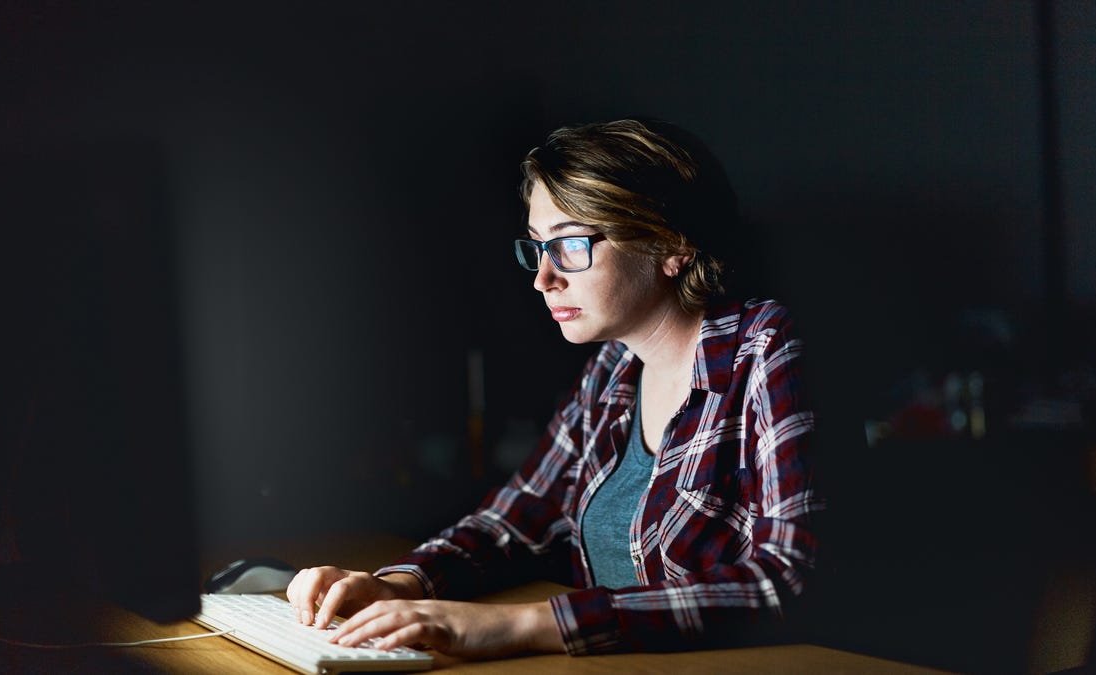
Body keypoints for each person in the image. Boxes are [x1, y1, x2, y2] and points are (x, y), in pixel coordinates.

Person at [286, 118, 824, 658]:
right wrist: (402, 584)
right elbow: (515, 520)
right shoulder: (613, 367)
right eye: (538, 248)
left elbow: (786, 579)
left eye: (570, 244)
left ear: (672, 245)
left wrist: (518, 626)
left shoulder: (766, 347)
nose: (544, 278)